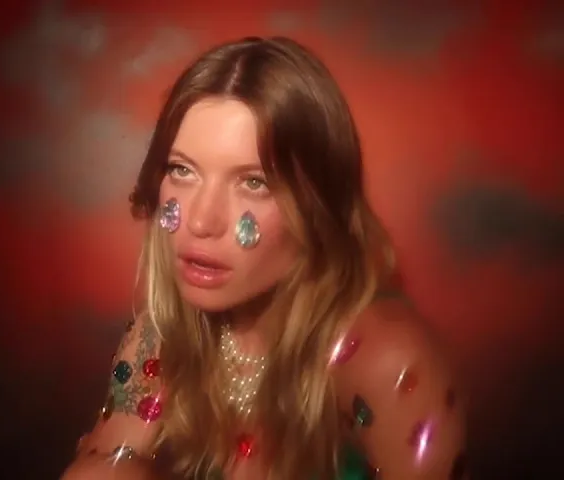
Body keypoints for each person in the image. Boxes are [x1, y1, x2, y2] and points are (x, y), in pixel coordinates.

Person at [61, 36, 467, 480]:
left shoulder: (387, 361)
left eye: (253, 182)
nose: (201, 220)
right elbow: (105, 465)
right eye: (182, 170)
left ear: (318, 206)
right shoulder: (162, 339)